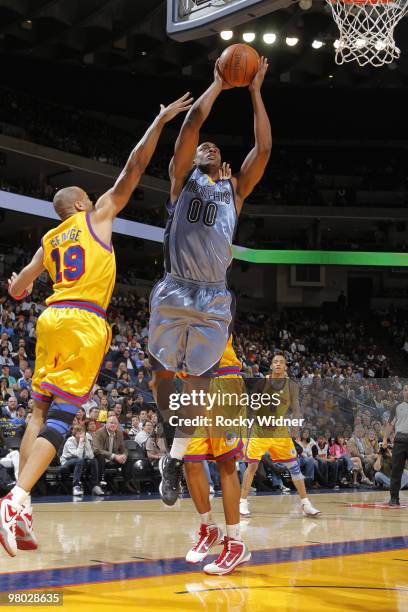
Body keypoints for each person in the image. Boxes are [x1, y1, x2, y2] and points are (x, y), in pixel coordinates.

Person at [0, 92, 193, 557]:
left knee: (40, 412)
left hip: (49, 318)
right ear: (83, 202)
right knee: (65, 416)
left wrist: (17, 285)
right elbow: (133, 167)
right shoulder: (98, 215)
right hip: (84, 321)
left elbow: (19, 290)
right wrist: (161, 119)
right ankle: (15, 500)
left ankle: (22, 511)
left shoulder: (48, 240)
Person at [150, 56, 272, 508]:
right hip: (175, 284)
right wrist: (220, 85)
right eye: (205, 148)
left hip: (213, 295)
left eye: (216, 149)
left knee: (200, 383)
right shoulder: (181, 181)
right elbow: (190, 129)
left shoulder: (235, 191)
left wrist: (256, 92)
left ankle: (176, 456)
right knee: (162, 378)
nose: (209, 148)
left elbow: (263, 151)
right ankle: (171, 435)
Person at [183, 336, 249, 575]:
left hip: (223, 378)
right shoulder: (169, 304)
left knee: (226, 463)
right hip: (193, 385)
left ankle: (235, 542)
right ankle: (208, 527)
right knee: (189, 460)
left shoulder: (219, 298)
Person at [240, 353, 321, 518]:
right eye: (275, 362)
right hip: (260, 430)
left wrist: (296, 423)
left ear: (285, 367)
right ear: (271, 366)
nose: (277, 364)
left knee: (294, 466)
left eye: (281, 362)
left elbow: (296, 408)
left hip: (280, 432)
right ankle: (242, 502)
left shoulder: (292, 386)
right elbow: (250, 407)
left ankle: (305, 504)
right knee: (253, 466)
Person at [60, 425, 103, 496]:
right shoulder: (70, 441)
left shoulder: (84, 440)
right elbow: (78, 455)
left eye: (82, 432)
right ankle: (76, 486)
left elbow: (91, 456)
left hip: (80, 461)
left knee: (94, 460)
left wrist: (86, 444)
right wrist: (81, 442)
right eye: (79, 432)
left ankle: (95, 485)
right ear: (75, 433)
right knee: (79, 460)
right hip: (67, 462)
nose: (82, 434)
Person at [386, 384, 408, 505]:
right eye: (406, 390)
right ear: (403, 392)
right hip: (400, 440)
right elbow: (390, 425)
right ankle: (394, 498)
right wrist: (385, 439)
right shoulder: (397, 407)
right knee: (396, 470)